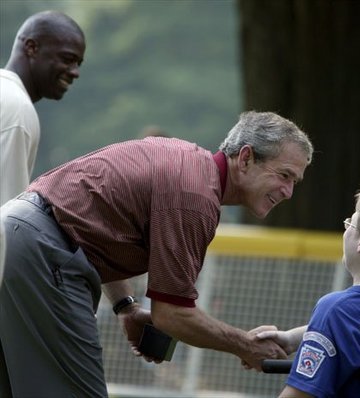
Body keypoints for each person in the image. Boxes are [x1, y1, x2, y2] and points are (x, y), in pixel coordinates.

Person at [0, 111, 313, 397]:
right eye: (284, 175)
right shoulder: (195, 196)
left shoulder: (186, 161)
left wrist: (126, 307)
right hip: (40, 251)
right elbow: (172, 314)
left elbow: (98, 231)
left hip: (16, 234)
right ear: (245, 159)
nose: (289, 192)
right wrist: (244, 345)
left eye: (295, 182)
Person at [252, 178, 360, 397]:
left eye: (350, 224)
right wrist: (291, 339)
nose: (345, 230)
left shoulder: (335, 310)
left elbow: (297, 395)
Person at [0, 10, 86, 206]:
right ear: (31, 47)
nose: (75, 73)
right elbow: (5, 214)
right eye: (67, 59)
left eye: (78, 63)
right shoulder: (16, 108)